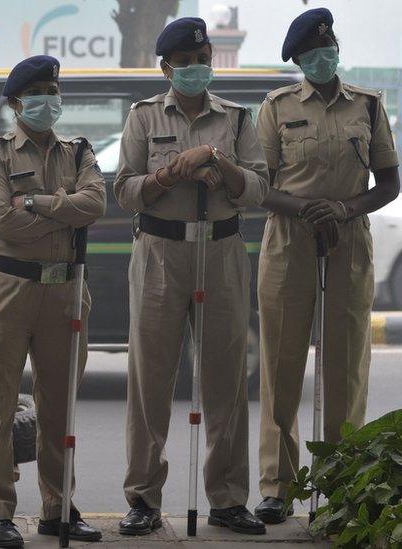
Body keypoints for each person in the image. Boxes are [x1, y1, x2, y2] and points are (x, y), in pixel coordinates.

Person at [114, 17, 269, 536]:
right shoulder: (142, 117)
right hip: (160, 250)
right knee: (150, 378)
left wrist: (217, 162)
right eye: (185, 64)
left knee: (225, 380)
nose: (196, 70)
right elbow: (125, 190)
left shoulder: (238, 119)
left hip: (222, 249)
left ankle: (227, 498)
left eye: (202, 62)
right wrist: (176, 169)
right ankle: (143, 498)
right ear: (166, 69)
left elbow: (257, 189)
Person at [253, 8, 400, 524]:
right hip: (288, 241)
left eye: (329, 48)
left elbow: (389, 181)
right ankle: (277, 485)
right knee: (281, 365)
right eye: (312, 54)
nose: (323, 57)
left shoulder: (368, 105)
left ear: (337, 49)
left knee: (345, 368)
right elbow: (259, 185)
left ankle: (343, 483)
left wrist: (343, 208)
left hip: (349, 240)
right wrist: (305, 209)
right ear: (297, 61)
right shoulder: (275, 107)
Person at [0, 55, 105, 548]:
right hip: (8, 286)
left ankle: (58, 506)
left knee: (59, 405)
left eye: (54, 89)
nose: (49, 99)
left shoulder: (78, 150)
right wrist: (64, 212)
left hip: (66, 289)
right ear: (16, 102)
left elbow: (97, 205)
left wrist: (35, 203)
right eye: (39, 92)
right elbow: (1, 223)